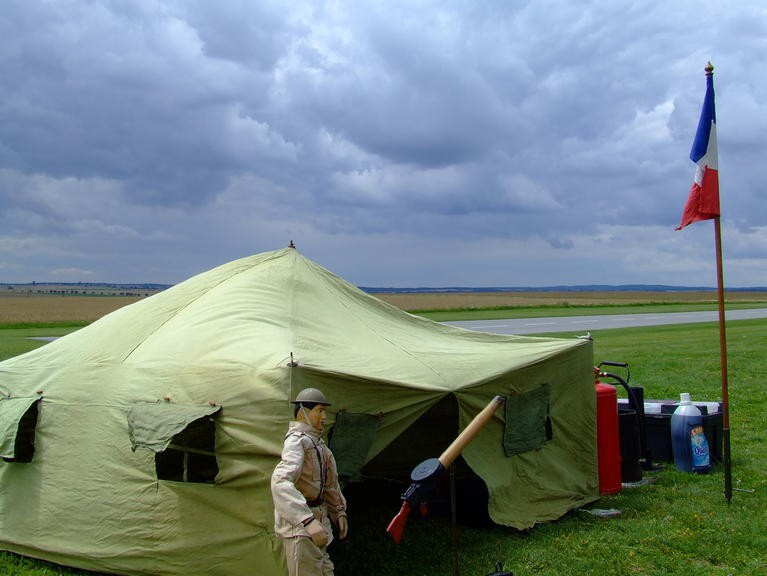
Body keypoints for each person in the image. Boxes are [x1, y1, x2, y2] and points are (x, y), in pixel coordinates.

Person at [271, 388, 348, 576]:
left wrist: (338, 510)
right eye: (319, 410)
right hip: (301, 528)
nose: (324, 417)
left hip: (318, 524)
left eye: (324, 411)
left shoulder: (319, 445)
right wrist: (306, 520)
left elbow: (330, 484)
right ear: (303, 412)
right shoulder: (297, 442)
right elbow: (280, 481)